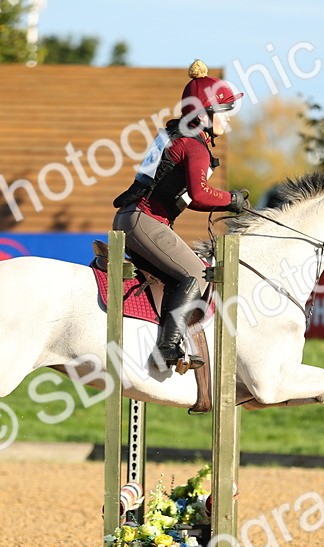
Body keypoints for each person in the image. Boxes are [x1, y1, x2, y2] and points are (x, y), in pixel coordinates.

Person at [113, 60, 250, 371]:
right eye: (224, 113)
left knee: (184, 274)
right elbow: (200, 195)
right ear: (203, 115)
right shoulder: (194, 146)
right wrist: (232, 200)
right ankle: (168, 348)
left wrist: (228, 200)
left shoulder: (176, 136)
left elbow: (191, 195)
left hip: (133, 218)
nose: (228, 122)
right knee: (197, 276)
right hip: (143, 221)